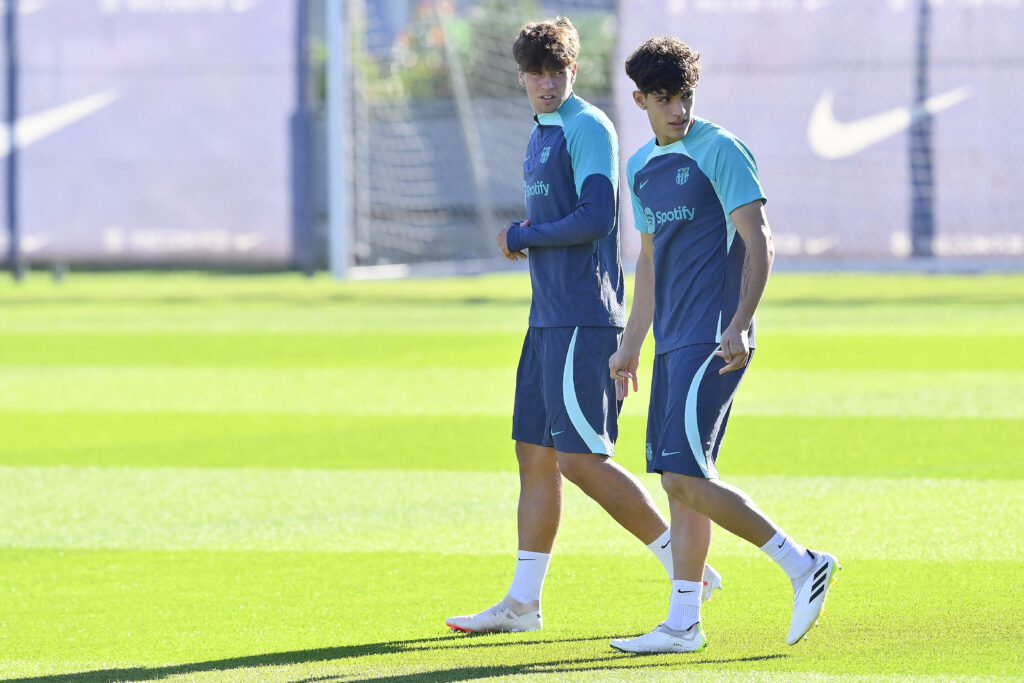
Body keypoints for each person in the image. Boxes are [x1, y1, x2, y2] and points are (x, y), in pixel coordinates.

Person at [445, 18, 721, 635]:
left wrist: (522, 235)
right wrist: (531, 236)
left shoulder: (588, 127)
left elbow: (597, 217)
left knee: (580, 460)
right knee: (534, 456)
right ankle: (522, 603)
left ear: (573, 71)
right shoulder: (540, 132)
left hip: (582, 318)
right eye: (536, 74)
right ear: (521, 76)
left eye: (556, 71)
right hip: (546, 319)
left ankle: (689, 567)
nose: (546, 83)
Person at [607, 37, 840, 654]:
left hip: (716, 338)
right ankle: (684, 621)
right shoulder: (640, 168)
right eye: (663, 99)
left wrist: (741, 321)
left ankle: (803, 563)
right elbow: (651, 262)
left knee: (684, 473)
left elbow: (760, 239)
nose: (677, 109)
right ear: (640, 100)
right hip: (672, 341)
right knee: (680, 480)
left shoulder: (721, 149)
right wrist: (632, 342)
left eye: (684, 97)